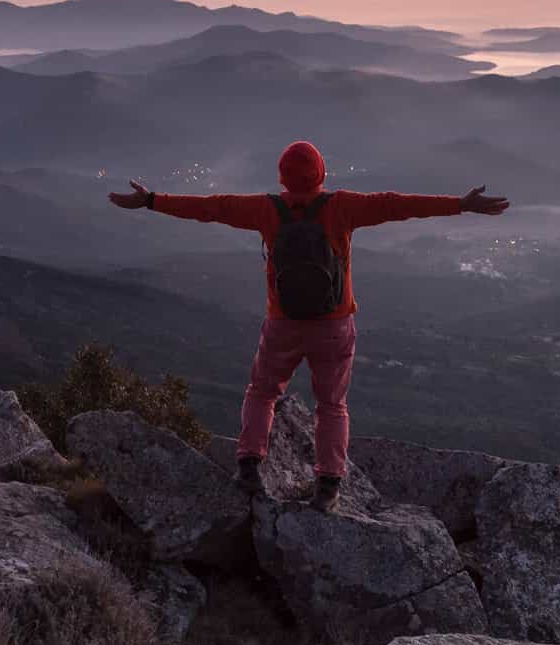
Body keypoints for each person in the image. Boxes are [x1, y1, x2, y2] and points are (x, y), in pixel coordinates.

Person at [110, 140, 508, 512]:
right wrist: (461, 204)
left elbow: (210, 207)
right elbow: (397, 204)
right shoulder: (343, 207)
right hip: (334, 325)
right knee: (331, 405)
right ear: (322, 174)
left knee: (262, 392)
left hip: (283, 323)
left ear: (282, 178)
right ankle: (328, 486)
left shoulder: (264, 209)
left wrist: (151, 200)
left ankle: (249, 466)